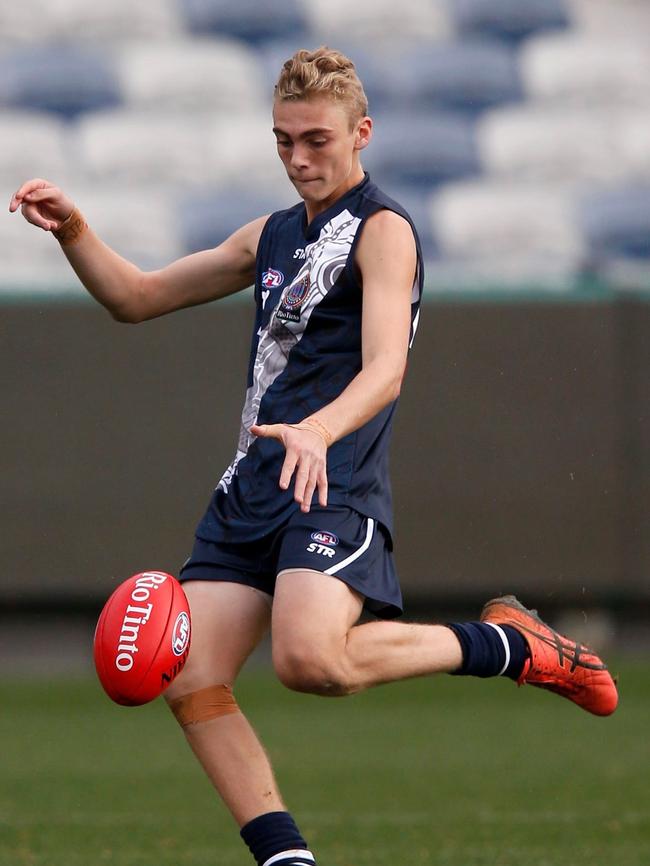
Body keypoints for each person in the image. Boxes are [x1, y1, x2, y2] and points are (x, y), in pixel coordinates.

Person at [9, 46, 618, 866]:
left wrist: (319, 430)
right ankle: (286, 860)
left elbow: (386, 368)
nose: (300, 158)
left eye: (317, 140)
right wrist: (75, 231)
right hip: (250, 490)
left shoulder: (384, 229)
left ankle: (511, 645)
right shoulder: (268, 235)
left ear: (360, 132)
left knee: (309, 660)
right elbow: (136, 297)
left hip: (332, 483)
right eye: (283, 140)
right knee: (190, 676)